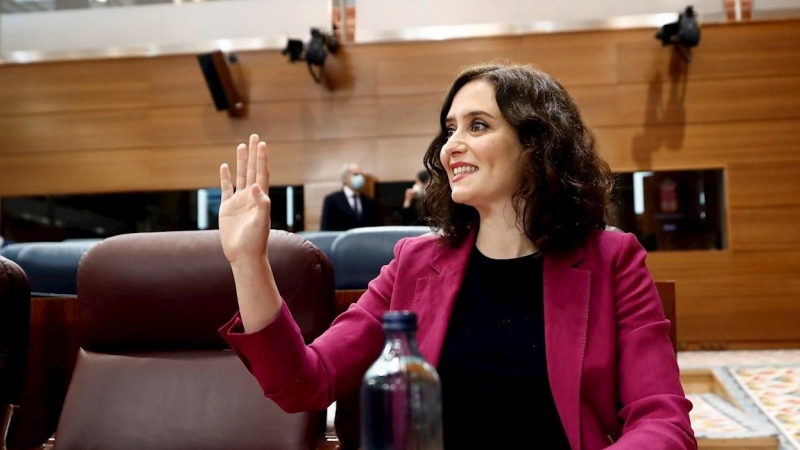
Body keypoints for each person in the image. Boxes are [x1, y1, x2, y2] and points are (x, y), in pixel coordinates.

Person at [217, 61, 696, 449]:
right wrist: (248, 261)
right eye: (449, 130)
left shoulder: (612, 260)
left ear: (537, 145)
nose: (451, 147)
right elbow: (304, 381)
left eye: (478, 125)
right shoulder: (413, 264)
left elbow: (662, 422)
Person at [319, 163, 380, 231]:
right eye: (355, 174)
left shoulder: (370, 202)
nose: (360, 178)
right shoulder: (332, 200)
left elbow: (376, 229)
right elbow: (326, 230)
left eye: (361, 175)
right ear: (345, 178)